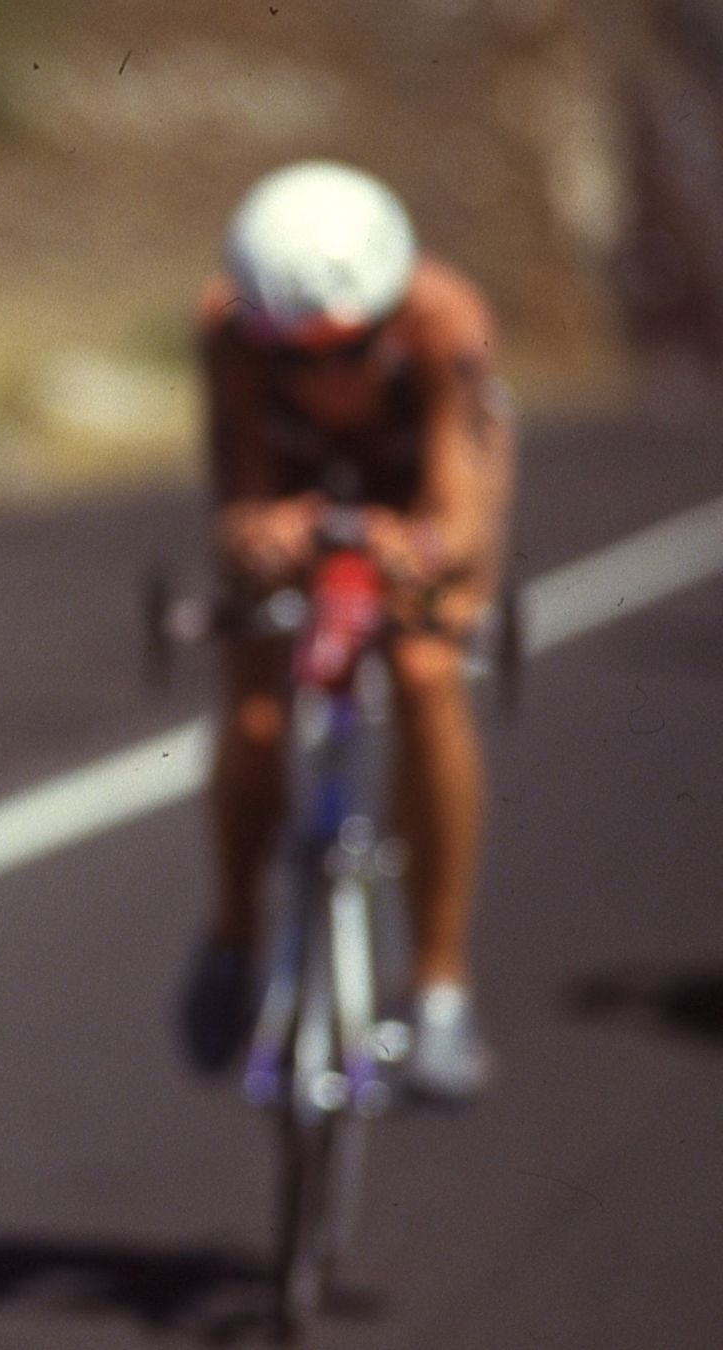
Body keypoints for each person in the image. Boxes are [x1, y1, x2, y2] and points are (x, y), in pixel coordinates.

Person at [181, 160, 514, 1104]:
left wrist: (418, 553)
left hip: (415, 496)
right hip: (296, 485)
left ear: (389, 312)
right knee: (252, 715)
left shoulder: (445, 319)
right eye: (297, 358)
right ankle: (232, 933)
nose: (327, 378)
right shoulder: (227, 330)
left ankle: (442, 983)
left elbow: (462, 512)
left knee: (424, 674)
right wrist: (257, 537)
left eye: (351, 350)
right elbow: (238, 487)